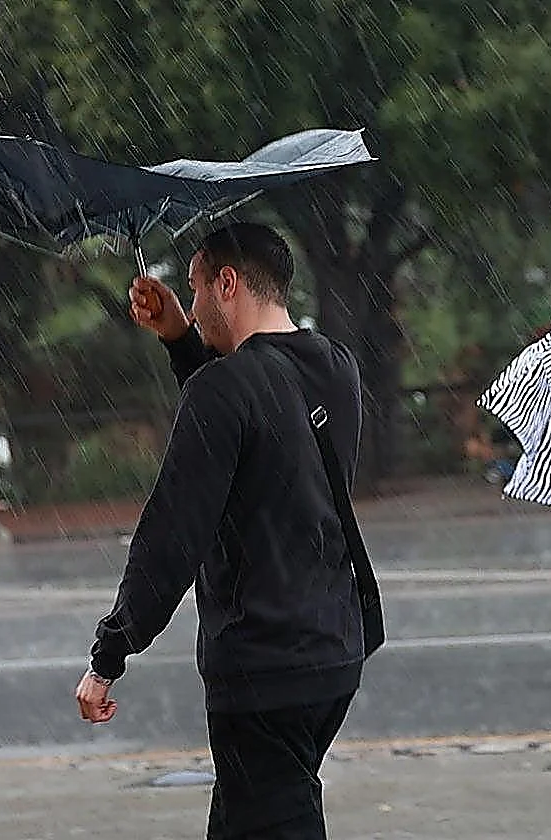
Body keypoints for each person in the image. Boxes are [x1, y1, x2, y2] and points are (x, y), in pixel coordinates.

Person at [74, 222, 377, 839]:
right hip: (332, 649)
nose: (193, 300)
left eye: (195, 285)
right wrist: (181, 335)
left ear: (227, 284)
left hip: (262, 661)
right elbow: (258, 425)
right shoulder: (337, 367)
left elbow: (172, 534)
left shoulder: (224, 387)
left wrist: (110, 651)